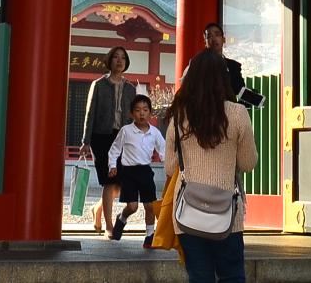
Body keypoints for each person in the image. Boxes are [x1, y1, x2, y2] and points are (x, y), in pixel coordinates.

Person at [163, 49, 256, 283]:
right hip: (227, 213)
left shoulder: (179, 114)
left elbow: (168, 167)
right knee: (231, 275)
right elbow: (248, 163)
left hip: (187, 212)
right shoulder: (238, 113)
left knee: (199, 276)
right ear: (223, 79)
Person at [82, 46, 141, 233]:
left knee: (119, 184)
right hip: (102, 138)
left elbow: (136, 116)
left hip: (123, 138)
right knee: (109, 181)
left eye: (123, 58)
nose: (119, 60)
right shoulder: (98, 85)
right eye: (116, 57)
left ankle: (97, 209)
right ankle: (109, 225)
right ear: (110, 60)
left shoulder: (131, 89)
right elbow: (89, 114)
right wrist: (86, 141)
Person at [106, 95, 165, 243]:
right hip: (129, 173)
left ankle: (150, 235)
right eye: (138, 110)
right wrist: (112, 165)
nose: (142, 113)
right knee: (132, 207)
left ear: (150, 113)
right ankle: (122, 218)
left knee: (150, 206)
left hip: (145, 171)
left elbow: (163, 150)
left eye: (145, 110)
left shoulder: (155, 132)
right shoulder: (126, 131)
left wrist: (169, 165)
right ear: (131, 113)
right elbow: (114, 150)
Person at [199, 24, 262, 109]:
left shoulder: (233, 66)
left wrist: (254, 99)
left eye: (217, 35)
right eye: (209, 36)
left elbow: (239, 90)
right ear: (205, 41)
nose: (214, 39)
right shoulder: (197, 65)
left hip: (228, 115)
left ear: (223, 39)